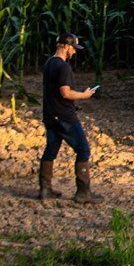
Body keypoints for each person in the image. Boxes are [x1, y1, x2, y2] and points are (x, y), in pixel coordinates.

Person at [39, 35, 100, 202]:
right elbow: (65, 92)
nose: (74, 52)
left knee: (51, 149)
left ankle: (45, 189)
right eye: (73, 48)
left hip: (50, 114)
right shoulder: (64, 67)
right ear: (66, 46)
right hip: (65, 115)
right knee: (83, 149)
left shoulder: (49, 63)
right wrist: (84, 95)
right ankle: (83, 193)